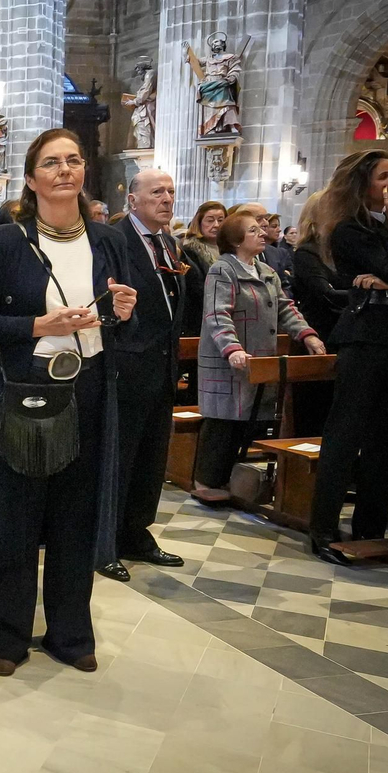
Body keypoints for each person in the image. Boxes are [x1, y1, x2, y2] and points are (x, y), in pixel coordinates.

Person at [0, 128, 136, 676]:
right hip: (25, 387)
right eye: (52, 162)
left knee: (76, 511)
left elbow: (118, 317)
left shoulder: (109, 240)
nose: (66, 170)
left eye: (75, 161)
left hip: (88, 383)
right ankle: (3, 633)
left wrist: (123, 311)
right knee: (17, 509)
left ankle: (69, 631)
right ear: (32, 177)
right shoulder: (7, 242)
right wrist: (39, 324)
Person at [308, 150, 388, 565]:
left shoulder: (384, 230)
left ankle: (370, 529)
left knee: (385, 440)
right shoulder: (348, 230)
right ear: (362, 185)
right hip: (363, 339)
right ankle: (322, 529)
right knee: (346, 435)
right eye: (384, 176)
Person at [191, 213, 325, 500]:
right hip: (229, 361)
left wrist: (307, 335)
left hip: (258, 361)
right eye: (253, 230)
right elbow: (217, 315)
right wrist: (232, 348)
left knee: (247, 422)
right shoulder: (222, 270)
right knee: (223, 422)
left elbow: (285, 308)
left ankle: (236, 481)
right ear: (237, 240)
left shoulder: (266, 271)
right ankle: (207, 482)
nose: (262, 234)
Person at [102, 169, 188, 578]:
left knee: (152, 457)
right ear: (132, 200)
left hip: (162, 364)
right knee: (120, 457)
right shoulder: (115, 239)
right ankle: (106, 541)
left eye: (170, 191)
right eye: (157, 192)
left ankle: (137, 533)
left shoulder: (168, 243)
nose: (167, 198)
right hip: (127, 363)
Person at [291, 191, 348, 338]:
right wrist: (365, 295)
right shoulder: (307, 252)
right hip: (321, 330)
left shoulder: (338, 249)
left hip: (343, 326)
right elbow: (326, 294)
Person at [180, 200, 225, 335]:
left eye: (221, 220)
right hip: (201, 315)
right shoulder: (189, 250)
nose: (216, 225)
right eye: (210, 220)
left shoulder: (231, 249)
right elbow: (196, 287)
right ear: (199, 222)